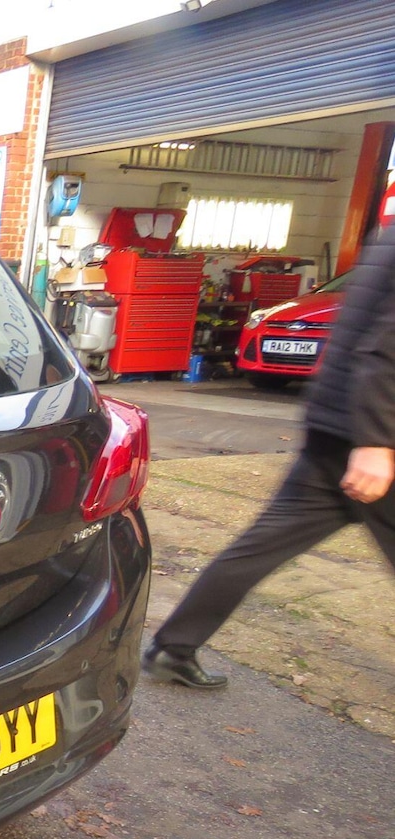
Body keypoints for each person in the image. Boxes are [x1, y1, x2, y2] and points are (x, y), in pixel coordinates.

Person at [143, 220, 395, 688]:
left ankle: (172, 648)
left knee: (260, 547)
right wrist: (376, 443)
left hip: (336, 422)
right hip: (373, 437)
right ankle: (172, 648)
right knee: (260, 546)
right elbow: (386, 350)